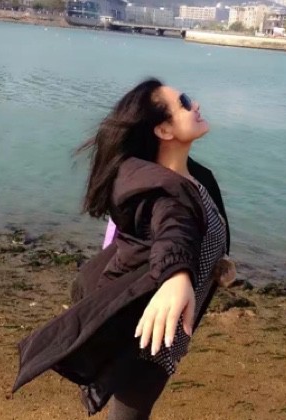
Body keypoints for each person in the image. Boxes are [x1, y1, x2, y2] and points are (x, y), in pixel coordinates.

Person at [12, 78, 232, 419]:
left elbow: (196, 230)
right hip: (146, 334)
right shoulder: (161, 191)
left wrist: (219, 264)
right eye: (185, 102)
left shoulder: (197, 178)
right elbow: (174, 231)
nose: (196, 105)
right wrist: (176, 275)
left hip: (168, 325)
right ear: (163, 130)